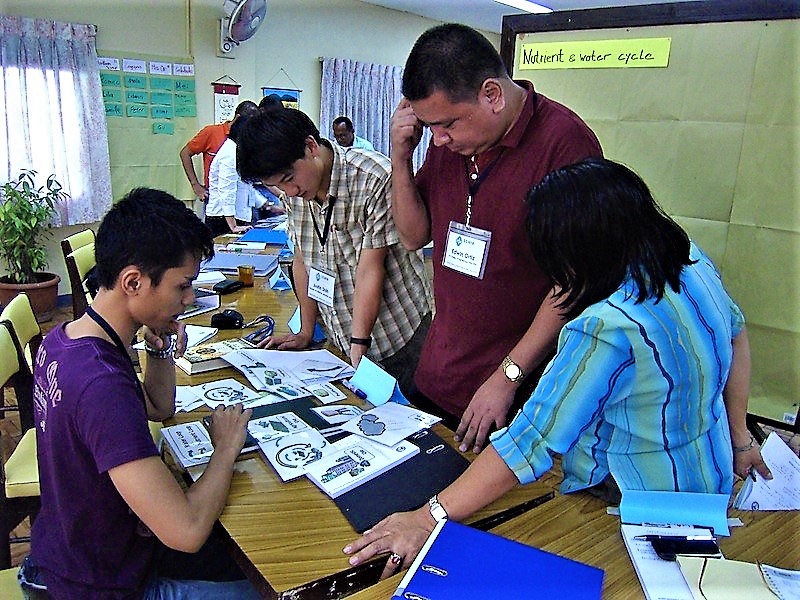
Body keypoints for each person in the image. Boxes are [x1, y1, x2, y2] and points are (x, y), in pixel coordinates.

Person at [343, 157, 771, 578]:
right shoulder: (687, 262)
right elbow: (736, 334)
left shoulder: (606, 326)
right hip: (707, 480)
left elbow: (530, 441)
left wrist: (426, 517)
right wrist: (739, 438)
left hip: (635, 508)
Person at [22, 189, 259, 599]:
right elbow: (185, 531)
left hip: (77, 550)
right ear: (134, 281)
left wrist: (158, 346)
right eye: (182, 286)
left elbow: (158, 407)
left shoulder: (68, 340)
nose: (189, 300)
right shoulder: (99, 384)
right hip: (103, 584)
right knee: (262, 586)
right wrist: (226, 446)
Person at [389, 23, 603, 454]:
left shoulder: (565, 144)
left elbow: (574, 282)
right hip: (440, 370)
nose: (440, 138)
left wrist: (508, 377)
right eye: (429, 126)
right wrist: (400, 156)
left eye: (447, 123)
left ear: (492, 94)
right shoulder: (449, 144)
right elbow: (413, 237)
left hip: (517, 388)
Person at [236, 108, 432, 394]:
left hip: (396, 338)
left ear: (311, 146)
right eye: (276, 186)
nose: (288, 192)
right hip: (341, 340)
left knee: (415, 424)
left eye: (289, 178)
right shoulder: (298, 191)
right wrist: (306, 331)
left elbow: (370, 269)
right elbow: (302, 260)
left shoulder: (372, 177)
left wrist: (359, 345)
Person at [179, 100, 259, 201]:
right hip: (215, 197)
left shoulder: (248, 138)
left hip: (241, 196)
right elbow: (185, 153)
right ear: (238, 118)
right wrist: (195, 185)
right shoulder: (211, 132)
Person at [206, 115, 263, 236]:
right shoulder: (230, 154)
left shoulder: (237, 151)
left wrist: (266, 205)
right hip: (224, 219)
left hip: (236, 217)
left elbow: (246, 186)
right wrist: (233, 225)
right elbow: (226, 191)